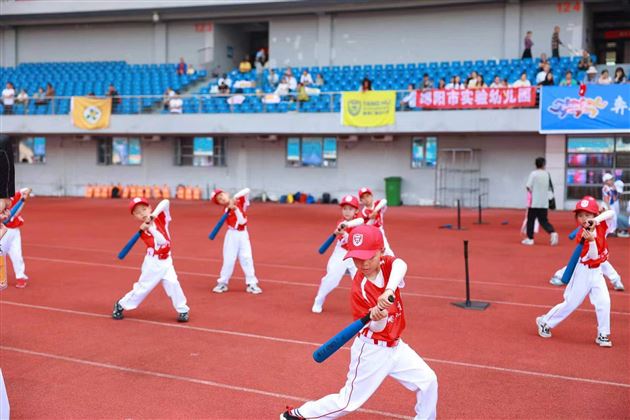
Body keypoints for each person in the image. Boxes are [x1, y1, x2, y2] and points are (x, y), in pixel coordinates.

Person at [281, 225, 438, 420]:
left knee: (428, 381)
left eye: (368, 258)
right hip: (372, 350)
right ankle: (299, 415)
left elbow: (401, 264)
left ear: (381, 252)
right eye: (357, 258)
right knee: (348, 402)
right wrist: (377, 316)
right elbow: (377, 328)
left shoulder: (387, 265)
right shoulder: (360, 289)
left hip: (396, 346)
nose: (363, 264)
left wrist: (389, 290)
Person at [536, 197, 615, 347]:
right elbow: (593, 256)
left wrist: (596, 220)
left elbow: (611, 213)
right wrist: (591, 240)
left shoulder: (602, 224)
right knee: (571, 303)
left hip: (597, 272)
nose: (584, 218)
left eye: (588, 214)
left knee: (604, 301)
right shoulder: (582, 236)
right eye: (580, 215)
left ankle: (603, 334)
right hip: (583, 272)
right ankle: (544, 321)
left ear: (595, 214)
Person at [112, 197, 190, 322]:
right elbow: (162, 241)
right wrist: (150, 228)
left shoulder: (162, 218)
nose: (142, 213)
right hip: (153, 263)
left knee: (173, 284)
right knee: (144, 288)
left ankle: (183, 310)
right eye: (137, 212)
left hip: (167, 260)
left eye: (144, 209)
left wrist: (153, 216)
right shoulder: (144, 232)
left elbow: (166, 202)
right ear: (135, 217)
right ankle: (121, 304)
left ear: (150, 208)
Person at [312, 195, 362, 313]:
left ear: (356, 211)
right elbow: (345, 241)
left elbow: (360, 222)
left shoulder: (359, 221)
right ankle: (318, 300)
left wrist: (346, 230)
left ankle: (366, 307)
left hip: (356, 254)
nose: (347, 211)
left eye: (350, 209)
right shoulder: (340, 222)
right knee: (331, 279)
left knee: (361, 282)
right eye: (344, 209)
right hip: (342, 253)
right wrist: (340, 232)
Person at [210, 188, 262, 295]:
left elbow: (247, 190)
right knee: (229, 260)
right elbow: (241, 221)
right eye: (219, 199)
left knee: (247, 258)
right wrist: (233, 208)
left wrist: (235, 199)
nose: (222, 199)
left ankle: (252, 283)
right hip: (232, 235)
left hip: (243, 234)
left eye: (222, 195)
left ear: (227, 193)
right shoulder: (227, 210)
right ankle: (223, 283)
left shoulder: (240, 201)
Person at [0, 187, 31, 288]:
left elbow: (26, 189)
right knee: (1, 255)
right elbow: (7, 218)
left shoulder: (14, 196)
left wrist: (27, 193)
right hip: (4, 230)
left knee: (17, 254)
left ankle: (20, 277)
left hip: (15, 231)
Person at [523, 157, 558, 246]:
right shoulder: (547, 174)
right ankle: (552, 232)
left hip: (534, 202)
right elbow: (550, 188)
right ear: (544, 164)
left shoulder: (533, 174)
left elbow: (528, 186)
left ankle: (530, 238)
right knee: (543, 221)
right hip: (544, 203)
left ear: (536, 164)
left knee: (530, 220)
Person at [358, 187, 393, 256]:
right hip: (370, 233)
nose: (366, 199)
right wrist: (371, 217)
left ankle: (392, 262)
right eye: (363, 198)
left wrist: (375, 210)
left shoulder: (377, 203)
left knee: (386, 249)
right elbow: (367, 224)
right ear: (361, 201)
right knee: (372, 252)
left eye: (368, 196)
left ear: (372, 196)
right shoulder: (364, 211)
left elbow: (384, 201)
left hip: (380, 230)